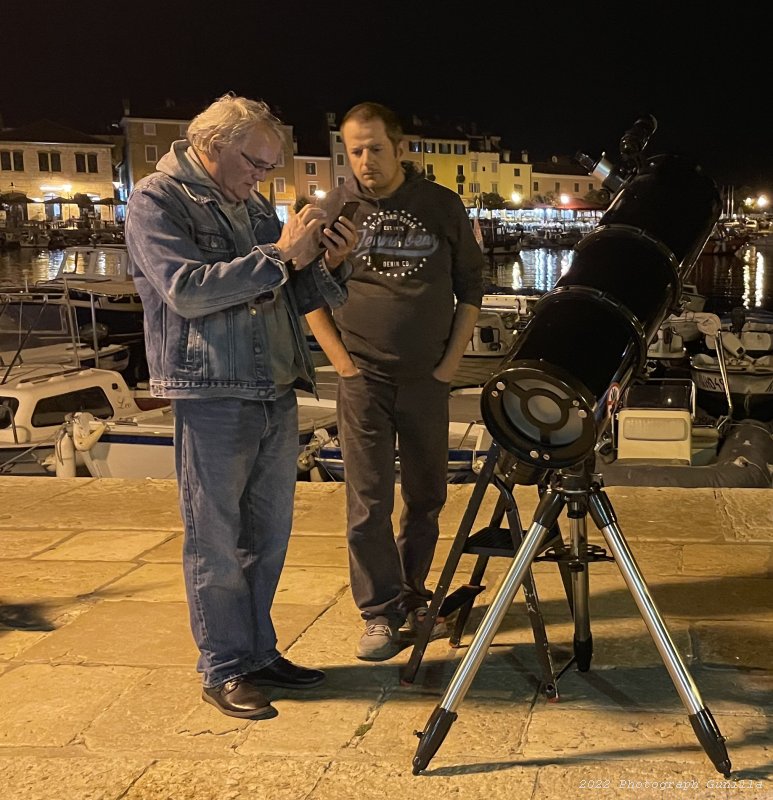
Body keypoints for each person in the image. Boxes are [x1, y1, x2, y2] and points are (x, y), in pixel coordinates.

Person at [125, 93, 356, 719]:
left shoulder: (248, 201)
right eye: (255, 163)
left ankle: (257, 651)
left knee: (268, 537)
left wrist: (329, 256)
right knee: (215, 540)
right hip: (213, 390)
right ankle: (224, 667)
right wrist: (282, 254)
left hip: (274, 386)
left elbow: (292, 286)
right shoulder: (157, 200)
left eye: (268, 167)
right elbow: (184, 292)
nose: (262, 177)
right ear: (213, 146)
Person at [305, 102, 484, 661]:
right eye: (354, 150)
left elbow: (471, 289)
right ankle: (379, 614)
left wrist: (449, 365)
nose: (364, 161)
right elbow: (307, 290)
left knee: (427, 496)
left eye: (374, 149)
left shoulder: (440, 205)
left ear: (401, 149)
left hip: (427, 380)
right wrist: (342, 364)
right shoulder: (338, 207)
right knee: (368, 502)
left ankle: (409, 593)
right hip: (364, 381)